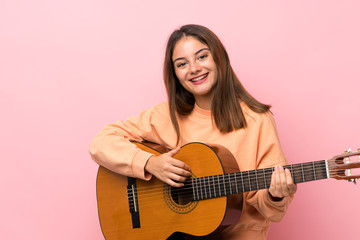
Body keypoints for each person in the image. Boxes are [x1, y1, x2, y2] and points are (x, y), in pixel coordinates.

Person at [89, 24, 297, 240]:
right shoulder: (166, 116)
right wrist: (150, 163)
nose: (194, 68)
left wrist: (276, 195)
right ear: (175, 74)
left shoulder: (257, 120)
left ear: (219, 58)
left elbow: (272, 213)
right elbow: (100, 143)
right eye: (182, 64)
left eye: (202, 57)